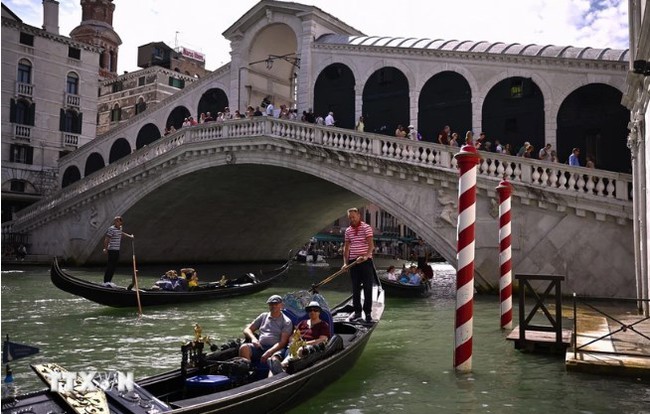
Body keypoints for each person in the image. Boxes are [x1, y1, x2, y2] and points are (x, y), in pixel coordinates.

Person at [268, 300, 331, 375]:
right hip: (295, 347)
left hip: (310, 349)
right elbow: (293, 336)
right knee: (273, 358)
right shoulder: (302, 323)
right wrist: (293, 341)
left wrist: (304, 343)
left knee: (300, 350)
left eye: (315, 310)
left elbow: (322, 340)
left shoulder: (323, 325)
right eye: (310, 310)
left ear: (319, 312)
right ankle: (272, 378)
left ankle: (283, 365)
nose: (312, 312)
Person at [239, 294, 293, 371]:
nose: (273, 306)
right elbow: (247, 329)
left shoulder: (286, 321)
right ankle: (246, 371)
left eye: (276, 304)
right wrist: (254, 339)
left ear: (281, 305)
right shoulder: (263, 316)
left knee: (274, 359)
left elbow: (282, 342)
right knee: (244, 348)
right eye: (271, 304)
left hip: (276, 349)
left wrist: (269, 352)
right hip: (260, 347)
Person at [342, 207, 375, 323]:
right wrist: (345, 263)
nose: (352, 219)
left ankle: (368, 313)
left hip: (365, 262)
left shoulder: (366, 228)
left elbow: (371, 246)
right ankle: (357, 312)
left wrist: (365, 256)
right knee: (355, 288)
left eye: (353, 217)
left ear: (358, 216)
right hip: (353, 262)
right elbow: (346, 248)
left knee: (367, 288)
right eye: (350, 218)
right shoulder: (348, 230)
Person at [102, 216, 133, 287]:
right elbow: (107, 239)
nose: (115, 222)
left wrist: (130, 236)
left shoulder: (120, 228)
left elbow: (121, 233)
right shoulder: (111, 229)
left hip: (117, 250)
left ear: (121, 222)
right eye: (115, 221)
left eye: (117, 221)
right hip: (111, 250)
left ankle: (109, 281)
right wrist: (105, 248)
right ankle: (105, 282)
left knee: (114, 266)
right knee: (110, 265)